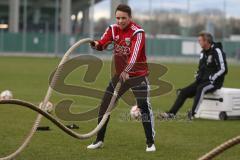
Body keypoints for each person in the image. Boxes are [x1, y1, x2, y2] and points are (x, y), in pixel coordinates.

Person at [87, 4, 156, 152]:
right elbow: (103, 43)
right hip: (120, 76)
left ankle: (150, 142)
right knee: (105, 104)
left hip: (138, 75)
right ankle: (99, 140)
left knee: (143, 105)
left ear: (130, 18)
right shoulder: (112, 29)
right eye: (118, 18)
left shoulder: (138, 32)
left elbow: (134, 56)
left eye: (123, 18)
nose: (120, 21)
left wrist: (127, 71)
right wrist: (96, 44)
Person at [160, 32, 228, 120]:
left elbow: (223, 69)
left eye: (200, 40)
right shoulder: (203, 52)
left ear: (206, 41)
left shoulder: (217, 51)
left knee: (201, 89)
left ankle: (192, 114)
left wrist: (213, 77)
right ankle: (171, 113)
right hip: (201, 81)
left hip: (214, 82)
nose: (198, 42)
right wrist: (198, 73)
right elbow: (202, 68)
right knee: (183, 92)